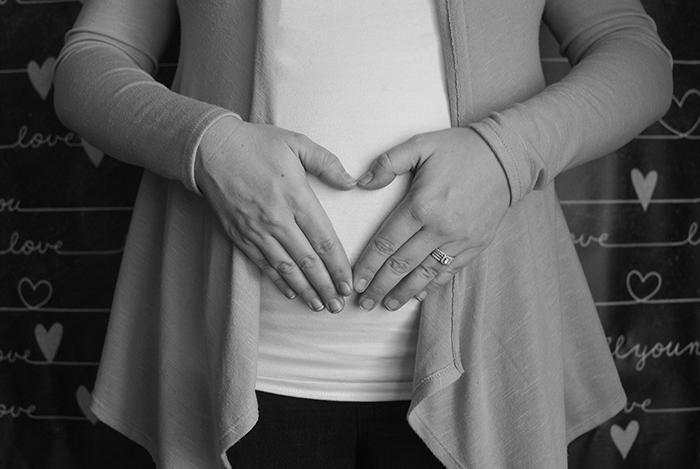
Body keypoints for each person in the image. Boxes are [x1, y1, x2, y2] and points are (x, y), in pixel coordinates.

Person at [53, 0, 673, 467]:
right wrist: (205, 146)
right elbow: (89, 60)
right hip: (230, 374)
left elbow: (636, 54)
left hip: (485, 368)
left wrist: (505, 156)